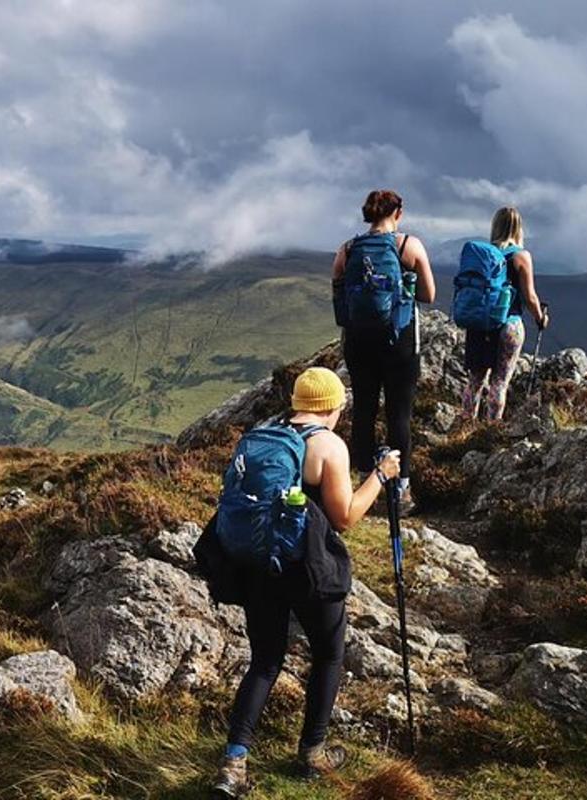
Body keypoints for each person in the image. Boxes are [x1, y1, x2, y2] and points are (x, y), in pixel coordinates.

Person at [212, 367, 402, 798]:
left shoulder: (264, 434)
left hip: (260, 562)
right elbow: (346, 517)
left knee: (264, 660)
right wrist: (382, 475)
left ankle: (234, 763)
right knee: (329, 653)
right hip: (307, 567)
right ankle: (312, 751)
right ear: (333, 406)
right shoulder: (328, 446)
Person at [332, 189, 434, 513]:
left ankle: (365, 481)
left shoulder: (347, 250)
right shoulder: (408, 246)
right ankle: (401, 490)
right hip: (400, 341)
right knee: (398, 413)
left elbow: (339, 294)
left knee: (364, 409)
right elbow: (429, 295)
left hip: (359, 342)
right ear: (398, 213)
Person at [461, 206, 549, 421]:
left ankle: (465, 426)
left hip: (479, 323)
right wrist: (540, 318)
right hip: (509, 324)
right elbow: (530, 297)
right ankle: (492, 429)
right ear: (518, 228)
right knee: (499, 382)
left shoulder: (483, 256)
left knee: (475, 380)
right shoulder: (521, 256)